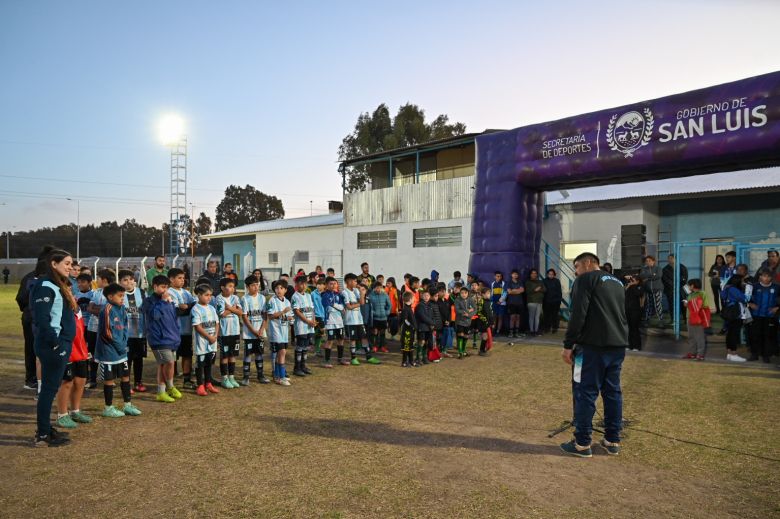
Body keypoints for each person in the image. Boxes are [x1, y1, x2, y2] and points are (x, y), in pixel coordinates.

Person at [560, 252, 627, 458]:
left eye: (577, 267)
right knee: (612, 392)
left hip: (591, 346)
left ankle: (582, 443)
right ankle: (612, 439)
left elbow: (577, 313)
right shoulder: (617, 282)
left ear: (589, 263)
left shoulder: (585, 280)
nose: (576, 272)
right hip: (617, 344)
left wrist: (568, 344)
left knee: (585, 392)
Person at [32, 249, 77, 446]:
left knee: (50, 389)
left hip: (60, 344)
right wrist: (57, 344)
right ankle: (42, 435)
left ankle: (46, 428)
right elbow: (42, 319)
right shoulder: (45, 285)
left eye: (71, 263)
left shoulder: (59, 285)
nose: (70, 267)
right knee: (48, 391)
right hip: (52, 345)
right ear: (53, 264)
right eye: (66, 263)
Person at [95, 282, 142, 418]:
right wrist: (120, 346)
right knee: (109, 380)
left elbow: (125, 327)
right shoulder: (107, 309)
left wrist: (124, 343)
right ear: (110, 297)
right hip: (109, 351)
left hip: (121, 350)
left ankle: (127, 405)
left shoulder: (122, 308)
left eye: (124, 296)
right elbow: (107, 333)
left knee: (125, 376)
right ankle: (108, 407)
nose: (123, 299)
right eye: (120, 296)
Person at [143, 275, 182, 403]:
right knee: (169, 362)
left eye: (166, 287)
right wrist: (162, 302)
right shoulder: (149, 301)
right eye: (162, 287)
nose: (165, 291)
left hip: (171, 338)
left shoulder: (169, 300)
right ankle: (170, 387)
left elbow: (173, 318)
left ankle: (161, 391)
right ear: (155, 287)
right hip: (158, 339)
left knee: (163, 364)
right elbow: (154, 315)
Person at [54, 300, 91, 429]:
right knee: (67, 383)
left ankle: (75, 411)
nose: (69, 291)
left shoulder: (76, 307)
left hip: (80, 351)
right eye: (66, 288)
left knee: (80, 381)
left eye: (70, 288)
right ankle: (62, 415)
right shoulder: (58, 306)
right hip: (67, 351)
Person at [342, 273, 381, 366]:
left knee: (364, 337)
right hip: (350, 320)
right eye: (355, 281)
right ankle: (353, 357)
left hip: (359, 319)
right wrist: (359, 303)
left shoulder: (356, 290)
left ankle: (369, 357)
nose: (356, 283)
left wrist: (362, 293)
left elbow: (362, 302)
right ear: (348, 281)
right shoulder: (345, 292)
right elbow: (349, 307)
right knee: (353, 339)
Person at [118, 269, 147, 394]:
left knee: (139, 359)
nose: (129, 282)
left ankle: (138, 382)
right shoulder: (119, 295)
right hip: (126, 335)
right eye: (125, 280)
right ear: (120, 282)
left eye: (131, 279)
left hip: (140, 333)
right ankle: (126, 383)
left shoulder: (142, 293)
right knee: (127, 360)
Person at [167, 267, 196, 388]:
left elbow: (194, 305)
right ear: (171, 279)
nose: (182, 280)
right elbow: (175, 311)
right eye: (179, 278)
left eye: (183, 278)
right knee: (172, 357)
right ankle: (170, 381)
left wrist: (186, 306)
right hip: (174, 331)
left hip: (187, 330)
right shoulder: (169, 293)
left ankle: (187, 379)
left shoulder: (186, 292)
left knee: (187, 355)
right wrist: (183, 308)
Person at [86, 269, 114, 389]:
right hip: (92, 328)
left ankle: (109, 379)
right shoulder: (96, 292)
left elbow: (111, 311)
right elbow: (89, 308)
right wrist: (102, 309)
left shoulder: (114, 293)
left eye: (98, 278)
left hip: (108, 328)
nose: (96, 281)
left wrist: (99, 309)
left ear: (104, 280)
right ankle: (92, 379)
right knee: (92, 354)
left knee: (108, 353)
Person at [191, 284, 220, 396]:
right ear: (199, 295)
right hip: (201, 343)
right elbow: (198, 327)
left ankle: (208, 383)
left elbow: (217, 323)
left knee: (209, 363)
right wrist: (209, 337)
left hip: (212, 342)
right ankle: (200, 385)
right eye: (206, 295)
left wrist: (215, 336)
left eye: (210, 295)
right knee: (200, 364)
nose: (209, 297)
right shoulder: (196, 309)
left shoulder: (212, 308)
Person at [240, 275, 269, 385]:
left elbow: (265, 315)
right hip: (249, 333)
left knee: (259, 354)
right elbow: (245, 316)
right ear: (247, 287)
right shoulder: (244, 299)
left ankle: (260, 375)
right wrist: (253, 330)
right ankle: (246, 377)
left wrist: (261, 329)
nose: (256, 287)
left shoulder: (262, 298)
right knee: (247, 354)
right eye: (253, 285)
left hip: (260, 332)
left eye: (257, 285)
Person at [747, 269, 779, 363]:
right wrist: (750, 304)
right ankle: (754, 354)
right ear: (760, 277)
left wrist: (777, 307)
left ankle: (766, 355)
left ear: (771, 278)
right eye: (764, 276)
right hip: (756, 315)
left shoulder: (776, 287)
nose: (766, 278)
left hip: (769, 316)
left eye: (768, 276)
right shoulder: (754, 286)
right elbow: (746, 297)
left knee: (768, 336)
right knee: (754, 335)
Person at [216, 277, 243, 389]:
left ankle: (231, 377)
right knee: (224, 356)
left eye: (233, 286)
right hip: (224, 332)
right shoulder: (219, 298)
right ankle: (224, 378)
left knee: (233, 355)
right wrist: (233, 309)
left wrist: (230, 308)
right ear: (223, 287)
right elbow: (222, 314)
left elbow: (240, 312)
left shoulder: (236, 297)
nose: (232, 288)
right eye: (230, 286)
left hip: (235, 331)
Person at [266, 280, 293, 385]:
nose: (279, 290)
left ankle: (277, 376)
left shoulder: (287, 302)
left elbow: (290, 316)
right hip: (275, 331)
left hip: (284, 331)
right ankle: (282, 376)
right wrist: (283, 312)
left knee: (281, 353)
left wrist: (290, 318)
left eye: (281, 288)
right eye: (277, 288)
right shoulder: (272, 301)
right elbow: (271, 316)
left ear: (285, 290)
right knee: (281, 352)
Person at [291, 274, 316, 377]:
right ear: (297, 284)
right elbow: (297, 311)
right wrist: (307, 321)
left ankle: (303, 366)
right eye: (301, 283)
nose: (304, 286)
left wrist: (313, 320)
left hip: (309, 326)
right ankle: (297, 368)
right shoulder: (295, 296)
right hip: (301, 326)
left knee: (306, 346)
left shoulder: (308, 295)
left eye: (305, 283)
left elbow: (312, 309)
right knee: (300, 346)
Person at [720, 275, 747, 363]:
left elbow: (723, 296)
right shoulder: (734, 289)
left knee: (730, 333)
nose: (743, 283)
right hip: (736, 314)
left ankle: (729, 353)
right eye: (742, 281)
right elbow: (744, 298)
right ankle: (734, 353)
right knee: (734, 334)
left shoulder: (727, 288)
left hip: (729, 313)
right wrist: (746, 292)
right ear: (737, 281)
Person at [683, 279, 711, 361]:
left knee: (699, 337)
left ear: (692, 285)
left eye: (689, 285)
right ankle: (692, 353)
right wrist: (687, 304)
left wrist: (690, 304)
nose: (688, 287)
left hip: (698, 318)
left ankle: (700, 354)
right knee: (691, 336)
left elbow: (705, 305)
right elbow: (690, 306)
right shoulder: (690, 295)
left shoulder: (702, 293)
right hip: (689, 317)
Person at [321, 276, 345, 367]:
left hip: (339, 321)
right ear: (326, 285)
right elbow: (328, 307)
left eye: (334, 283)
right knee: (330, 340)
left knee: (341, 339)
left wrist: (334, 305)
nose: (333, 285)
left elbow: (342, 307)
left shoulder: (339, 295)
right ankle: (326, 361)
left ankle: (340, 359)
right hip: (330, 321)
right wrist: (337, 307)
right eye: (331, 284)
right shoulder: (324, 295)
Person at [662, 254, 688, 322]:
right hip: (670, 290)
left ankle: (685, 318)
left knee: (683, 304)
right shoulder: (665, 269)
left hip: (681, 289)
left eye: (671, 258)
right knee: (671, 305)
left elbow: (684, 278)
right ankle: (673, 319)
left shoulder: (682, 267)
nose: (670, 260)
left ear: (676, 259)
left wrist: (678, 283)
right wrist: (673, 284)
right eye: (669, 258)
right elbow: (665, 279)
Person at [639, 255, 664, 323]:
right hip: (648, 290)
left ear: (653, 261)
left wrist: (647, 279)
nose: (647, 262)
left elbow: (658, 276)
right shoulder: (644, 269)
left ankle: (661, 321)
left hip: (657, 290)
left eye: (649, 260)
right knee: (648, 305)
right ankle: (647, 320)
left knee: (658, 305)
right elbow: (642, 276)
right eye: (646, 261)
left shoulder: (658, 268)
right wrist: (652, 275)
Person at [368, 281, 391, 353]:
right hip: (375, 318)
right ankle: (374, 346)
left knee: (382, 333)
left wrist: (386, 312)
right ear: (374, 288)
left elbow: (389, 305)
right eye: (377, 288)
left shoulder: (385, 295)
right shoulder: (371, 296)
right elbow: (369, 307)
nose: (378, 289)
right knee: (375, 332)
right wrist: (373, 313)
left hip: (383, 318)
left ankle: (383, 346)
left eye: (380, 288)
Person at [623, 274, 644, 351]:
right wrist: (628, 285)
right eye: (631, 280)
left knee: (634, 328)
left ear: (638, 281)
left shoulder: (640, 287)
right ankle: (629, 345)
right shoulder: (628, 286)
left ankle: (636, 346)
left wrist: (634, 285)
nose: (631, 281)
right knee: (628, 328)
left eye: (633, 280)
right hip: (627, 309)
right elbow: (623, 293)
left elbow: (638, 294)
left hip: (636, 310)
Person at [454, 286, 475, 359]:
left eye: (465, 293)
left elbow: (475, 309)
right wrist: (467, 311)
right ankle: (460, 352)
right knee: (461, 335)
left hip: (468, 321)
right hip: (459, 321)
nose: (463, 294)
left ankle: (463, 350)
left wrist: (469, 314)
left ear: (468, 293)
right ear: (460, 293)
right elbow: (457, 310)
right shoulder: (457, 300)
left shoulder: (470, 299)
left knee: (466, 336)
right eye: (462, 293)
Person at [414, 289, 434, 366]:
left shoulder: (430, 305)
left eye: (427, 295)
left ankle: (424, 357)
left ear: (429, 296)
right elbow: (423, 317)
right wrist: (432, 323)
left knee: (426, 342)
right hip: (421, 326)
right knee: (421, 342)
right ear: (421, 296)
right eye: (424, 295)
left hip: (428, 327)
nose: (426, 297)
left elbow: (432, 316)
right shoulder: (419, 306)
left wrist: (433, 323)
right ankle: (418, 358)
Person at [525, 269, 546, 336]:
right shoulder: (528, 282)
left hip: (539, 302)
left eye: (535, 273)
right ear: (530, 274)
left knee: (537, 317)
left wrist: (539, 289)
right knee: (531, 317)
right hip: (531, 301)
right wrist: (536, 290)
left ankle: (536, 331)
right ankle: (532, 331)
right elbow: (528, 291)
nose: (534, 274)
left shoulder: (540, 282)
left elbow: (545, 289)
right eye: (532, 273)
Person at [436, 283, 454, 357]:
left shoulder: (447, 301)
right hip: (440, 323)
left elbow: (449, 312)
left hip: (447, 323)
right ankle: (438, 352)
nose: (442, 293)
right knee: (439, 337)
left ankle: (444, 351)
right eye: (440, 291)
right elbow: (438, 313)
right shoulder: (437, 302)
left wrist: (449, 321)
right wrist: (444, 321)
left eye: (444, 291)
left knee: (446, 337)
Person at [399, 291, 416, 367]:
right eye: (413, 298)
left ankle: (411, 361)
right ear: (410, 299)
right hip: (407, 331)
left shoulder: (409, 308)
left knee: (411, 346)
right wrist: (411, 326)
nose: (414, 299)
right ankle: (404, 362)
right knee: (406, 346)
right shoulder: (405, 309)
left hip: (411, 331)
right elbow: (405, 320)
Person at [542, 269, 563, 334]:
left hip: (555, 301)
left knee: (555, 315)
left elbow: (559, 292)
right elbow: (543, 291)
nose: (551, 275)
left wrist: (559, 300)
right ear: (547, 274)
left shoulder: (557, 281)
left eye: (552, 274)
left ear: (554, 275)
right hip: (546, 301)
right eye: (549, 274)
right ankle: (546, 328)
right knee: (546, 315)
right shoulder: (544, 281)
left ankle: (554, 328)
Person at [506, 270, 525, 338]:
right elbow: (509, 292)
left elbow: (522, 290)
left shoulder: (520, 282)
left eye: (516, 274)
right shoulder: (509, 282)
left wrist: (514, 290)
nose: (515, 275)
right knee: (512, 317)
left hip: (519, 303)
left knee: (518, 317)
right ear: (511, 275)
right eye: (514, 274)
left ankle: (516, 332)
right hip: (511, 302)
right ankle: (511, 332)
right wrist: (517, 290)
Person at [476, 287, 494, 356]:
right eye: (486, 294)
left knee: (486, 336)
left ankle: (484, 349)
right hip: (482, 323)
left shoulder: (489, 302)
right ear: (482, 294)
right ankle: (481, 350)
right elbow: (479, 313)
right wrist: (485, 320)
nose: (488, 295)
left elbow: (490, 312)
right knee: (485, 336)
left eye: (489, 293)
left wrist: (492, 322)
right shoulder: (481, 301)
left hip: (488, 322)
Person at [311, 277, 326, 356]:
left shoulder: (326, 294)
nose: (318, 286)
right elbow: (311, 305)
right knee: (320, 331)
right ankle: (316, 349)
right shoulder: (313, 293)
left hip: (324, 316)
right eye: (317, 284)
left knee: (320, 333)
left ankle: (317, 349)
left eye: (320, 284)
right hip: (316, 315)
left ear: (324, 286)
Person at [490, 271, 507, 335]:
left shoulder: (503, 283)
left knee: (500, 317)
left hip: (501, 303)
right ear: (495, 277)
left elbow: (505, 293)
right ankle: (493, 330)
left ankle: (498, 331)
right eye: (497, 276)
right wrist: (492, 301)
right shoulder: (492, 284)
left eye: (500, 276)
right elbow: (491, 293)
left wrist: (500, 301)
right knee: (494, 317)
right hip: (494, 303)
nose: (499, 277)